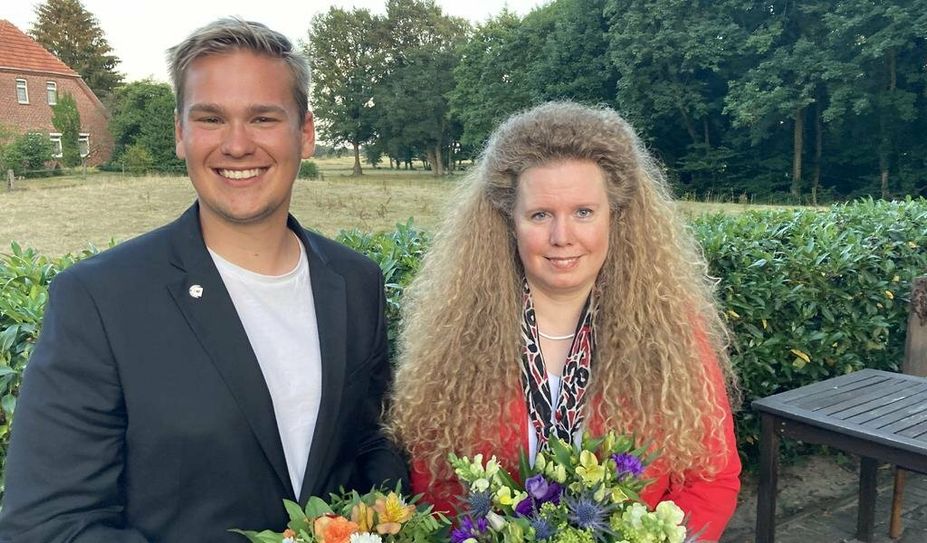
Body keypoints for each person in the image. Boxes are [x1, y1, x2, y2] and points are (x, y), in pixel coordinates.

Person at [0, 18, 407, 542]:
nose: (237, 145)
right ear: (180, 134)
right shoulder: (99, 300)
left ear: (304, 133)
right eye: (211, 119)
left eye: (263, 118)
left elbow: (370, 445)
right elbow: (48, 525)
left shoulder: (356, 281)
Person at [388, 102, 741, 541]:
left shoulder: (671, 332)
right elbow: (435, 483)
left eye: (583, 212)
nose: (562, 236)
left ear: (615, 216)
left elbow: (711, 478)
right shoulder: (457, 334)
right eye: (540, 215)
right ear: (509, 221)